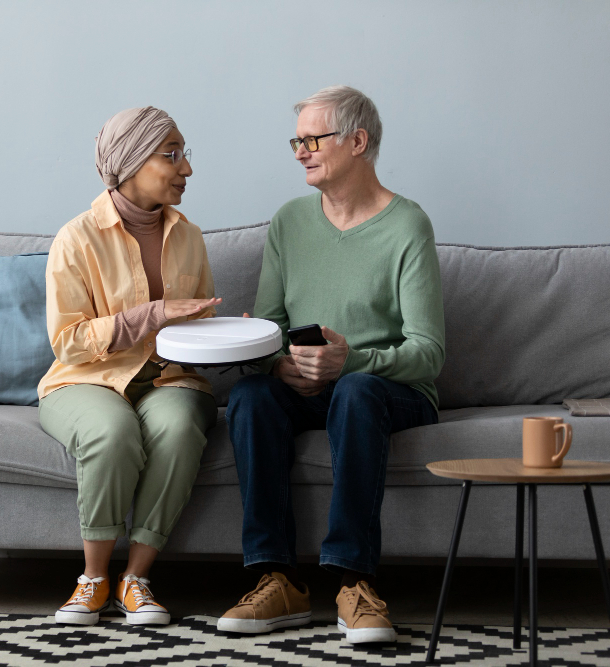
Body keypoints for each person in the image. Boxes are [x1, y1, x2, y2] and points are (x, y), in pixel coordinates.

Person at [217, 86, 445, 644]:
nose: (300, 151)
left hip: (386, 392)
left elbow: (429, 352)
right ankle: (277, 579)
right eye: (296, 141)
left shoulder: (407, 225)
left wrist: (351, 361)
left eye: (313, 140)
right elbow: (269, 326)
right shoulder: (289, 222)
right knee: (249, 396)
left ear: (358, 141)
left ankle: (354, 582)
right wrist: (277, 364)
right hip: (307, 389)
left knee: (356, 391)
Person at [38, 106, 220, 627]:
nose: (186, 168)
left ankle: (135, 579)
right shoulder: (76, 238)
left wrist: (230, 336)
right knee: (111, 432)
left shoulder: (189, 236)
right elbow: (68, 342)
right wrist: (152, 315)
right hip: (84, 379)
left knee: (179, 428)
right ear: (133, 161)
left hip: (170, 379)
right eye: (172, 155)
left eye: (185, 154)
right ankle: (93, 579)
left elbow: (197, 324)